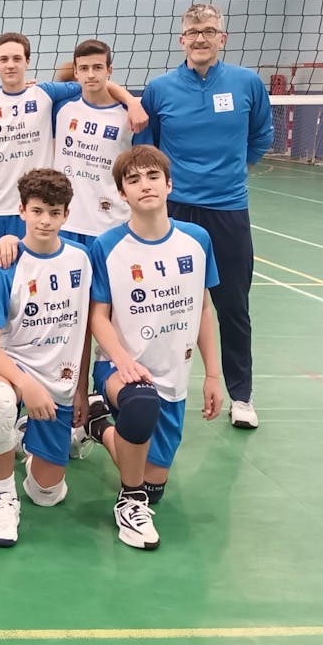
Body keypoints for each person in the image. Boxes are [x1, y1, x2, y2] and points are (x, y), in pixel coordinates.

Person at [140, 4, 273, 429]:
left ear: (222, 38)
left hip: (228, 209)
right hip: (174, 211)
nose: (201, 38)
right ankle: (151, 391)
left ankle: (242, 396)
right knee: (161, 305)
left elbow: (261, 135)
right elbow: (149, 147)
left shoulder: (246, 84)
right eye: (193, 32)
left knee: (233, 305)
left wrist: (231, 171)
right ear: (182, 40)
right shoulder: (160, 89)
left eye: (209, 31)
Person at [87, 145, 222, 550]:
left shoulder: (197, 240)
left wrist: (213, 374)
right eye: (133, 180)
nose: (144, 185)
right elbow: (98, 317)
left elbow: (203, 308)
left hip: (174, 377)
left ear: (168, 184)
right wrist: (122, 361)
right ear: (122, 194)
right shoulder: (108, 246)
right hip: (121, 369)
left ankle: (97, 425)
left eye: (151, 177)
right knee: (141, 410)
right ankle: (129, 504)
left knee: (153, 482)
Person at [0, 169, 92, 548]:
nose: (45, 220)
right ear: (21, 210)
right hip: (12, 370)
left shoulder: (82, 260)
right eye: (37, 210)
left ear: (66, 216)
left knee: (47, 494)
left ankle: (23, 435)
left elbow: (84, 331)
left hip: (60, 381)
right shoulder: (6, 267)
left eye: (54, 213)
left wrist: (81, 392)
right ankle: (4, 497)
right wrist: (26, 384)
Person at [0, 33, 147, 244]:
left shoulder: (46, 95)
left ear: (27, 61)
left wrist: (132, 101)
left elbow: (93, 83)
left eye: (17, 58)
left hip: (35, 207)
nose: (10, 65)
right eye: (4, 59)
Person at [53, 39, 152, 246]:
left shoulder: (131, 115)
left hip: (113, 223)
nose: (90, 74)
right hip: (66, 224)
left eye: (97, 67)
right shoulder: (60, 108)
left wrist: (132, 101)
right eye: (84, 68)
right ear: (76, 72)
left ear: (109, 71)